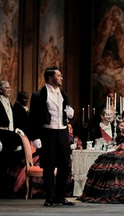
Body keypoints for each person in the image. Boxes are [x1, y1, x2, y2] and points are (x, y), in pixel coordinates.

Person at [29, 66, 75, 207]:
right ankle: (49, 197)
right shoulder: (38, 95)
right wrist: (35, 137)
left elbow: (67, 113)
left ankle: (60, 197)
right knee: (48, 167)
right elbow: (33, 118)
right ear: (50, 77)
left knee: (64, 166)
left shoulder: (63, 95)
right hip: (48, 133)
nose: (61, 78)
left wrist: (71, 115)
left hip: (62, 133)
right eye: (59, 75)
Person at [0, 81, 23, 200]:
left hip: (9, 136)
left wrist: (16, 137)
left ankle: (4, 191)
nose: (9, 89)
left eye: (9, 87)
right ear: (1, 89)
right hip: (0, 136)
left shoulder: (9, 104)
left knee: (6, 166)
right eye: (7, 87)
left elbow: (12, 121)